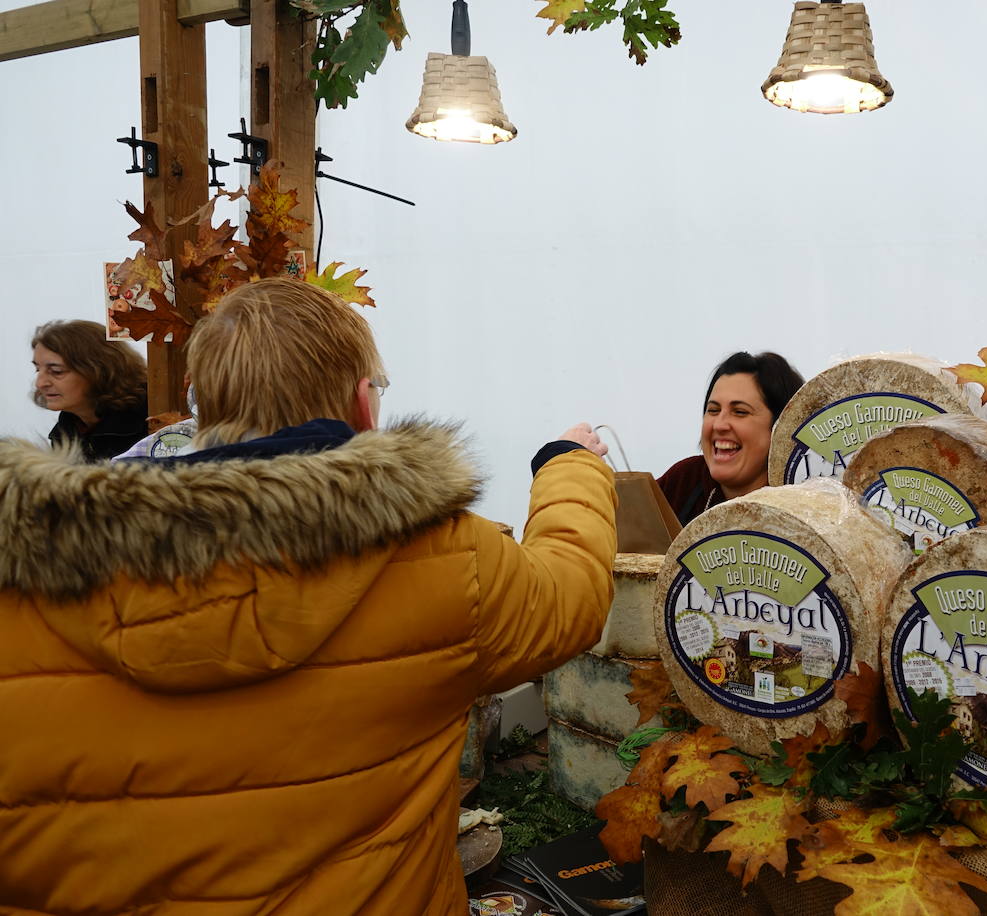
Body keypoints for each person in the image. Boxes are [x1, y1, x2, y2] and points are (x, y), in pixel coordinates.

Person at [0, 278, 617, 915]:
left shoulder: (24, 572)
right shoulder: (442, 556)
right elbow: (570, 599)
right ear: (363, 405)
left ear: (202, 410)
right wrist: (568, 464)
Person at [658, 350, 805, 524]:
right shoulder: (683, 481)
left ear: (781, 427)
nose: (719, 425)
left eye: (740, 412)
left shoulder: (804, 504)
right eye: (713, 410)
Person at [31, 318, 149, 460]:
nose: (40, 383)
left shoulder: (151, 418)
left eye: (57, 371)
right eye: (38, 369)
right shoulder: (65, 431)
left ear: (99, 370)